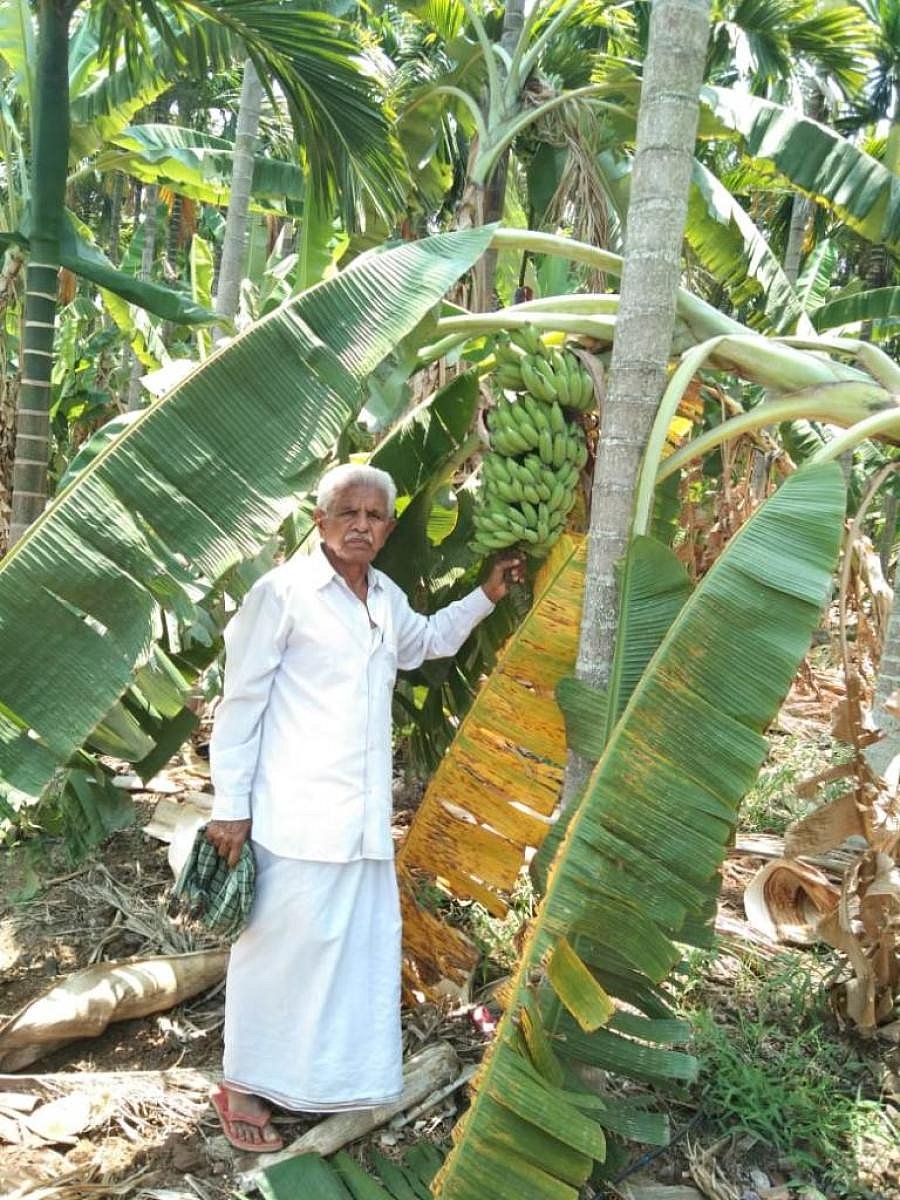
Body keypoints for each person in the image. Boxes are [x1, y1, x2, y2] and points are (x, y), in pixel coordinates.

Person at [205, 463, 523, 1151]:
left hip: (360, 820)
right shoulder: (283, 594)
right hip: (292, 813)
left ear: (387, 527)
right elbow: (241, 703)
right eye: (347, 512)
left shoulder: (383, 597)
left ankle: (318, 1086)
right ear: (319, 522)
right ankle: (243, 1085)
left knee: (348, 960)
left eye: (375, 516)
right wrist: (230, 805)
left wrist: (487, 596)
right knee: (275, 954)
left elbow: (426, 643)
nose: (361, 525)